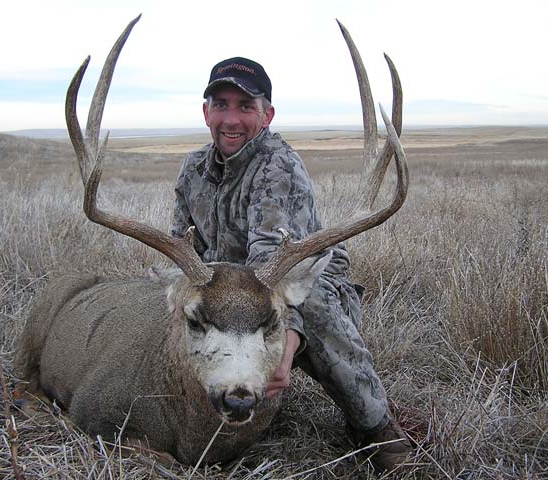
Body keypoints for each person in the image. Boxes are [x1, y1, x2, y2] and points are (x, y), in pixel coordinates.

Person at [171, 57, 412, 472]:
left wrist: (284, 350)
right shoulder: (192, 169)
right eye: (222, 104)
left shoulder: (277, 167)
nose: (232, 118)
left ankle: (379, 431)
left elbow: (275, 276)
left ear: (267, 115)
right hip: (224, 301)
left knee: (314, 303)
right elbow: (180, 250)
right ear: (206, 111)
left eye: (246, 107)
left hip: (295, 290)